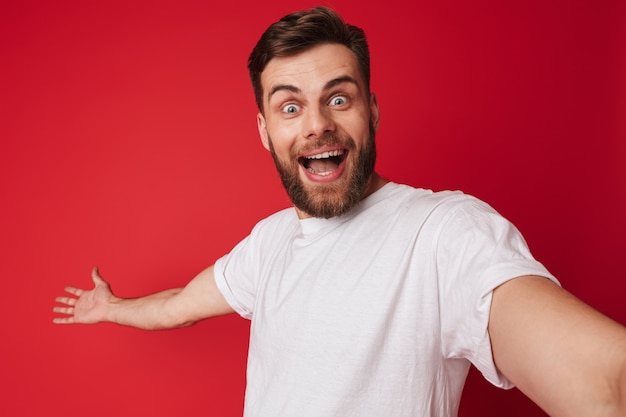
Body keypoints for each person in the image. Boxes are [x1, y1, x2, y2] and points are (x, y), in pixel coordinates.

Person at [53, 6, 626, 417]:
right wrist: (113, 308)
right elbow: (179, 306)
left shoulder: (446, 233)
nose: (316, 124)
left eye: (338, 97)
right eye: (290, 106)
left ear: (371, 111)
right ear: (264, 130)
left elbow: (607, 383)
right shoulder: (268, 243)